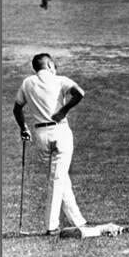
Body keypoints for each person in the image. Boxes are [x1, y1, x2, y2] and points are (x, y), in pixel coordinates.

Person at [13, 53, 87, 235]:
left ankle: (78, 221)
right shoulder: (60, 80)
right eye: (53, 65)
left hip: (40, 135)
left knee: (60, 179)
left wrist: (23, 128)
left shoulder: (27, 83)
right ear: (48, 64)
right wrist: (63, 110)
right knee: (57, 179)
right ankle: (51, 225)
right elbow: (80, 93)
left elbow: (17, 108)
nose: (55, 68)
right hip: (60, 131)